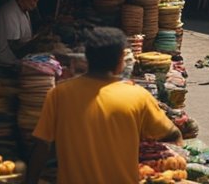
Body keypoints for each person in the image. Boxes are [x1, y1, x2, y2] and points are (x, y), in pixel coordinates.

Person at [27, 27, 180, 184]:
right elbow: (171, 134)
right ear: (120, 60)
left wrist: (30, 180)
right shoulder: (137, 96)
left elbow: (42, 145)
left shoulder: (59, 94)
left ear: (88, 57)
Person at [0, 0, 39, 68]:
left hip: (18, 60)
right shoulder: (9, 12)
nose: (35, 5)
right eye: (34, 0)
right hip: (7, 63)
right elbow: (15, 48)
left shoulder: (23, 8)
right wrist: (37, 40)